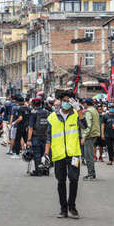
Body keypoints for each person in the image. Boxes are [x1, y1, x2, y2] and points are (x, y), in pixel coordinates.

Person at [44, 91, 87, 219]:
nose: (67, 103)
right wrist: (46, 154)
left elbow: (85, 126)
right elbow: (48, 137)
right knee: (61, 181)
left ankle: (72, 207)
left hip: (74, 154)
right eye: (65, 100)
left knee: (74, 179)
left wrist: (79, 110)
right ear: (60, 101)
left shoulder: (75, 115)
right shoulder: (52, 117)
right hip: (58, 155)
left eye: (69, 101)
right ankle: (63, 209)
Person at [27, 97, 49, 176]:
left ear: (33, 104)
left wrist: (29, 140)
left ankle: (38, 171)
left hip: (36, 136)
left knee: (37, 154)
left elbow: (31, 127)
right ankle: (45, 170)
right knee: (45, 153)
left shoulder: (34, 113)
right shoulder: (46, 112)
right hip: (45, 136)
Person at [81, 98, 101, 181]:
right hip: (94, 134)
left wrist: (84, 136)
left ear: (86, 103)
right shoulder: (95, 110)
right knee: (90, 155)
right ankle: (92, 174)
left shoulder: (88, 112)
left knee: (88, 156)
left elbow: (88, 125)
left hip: (89, 136)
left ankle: (91, 174)